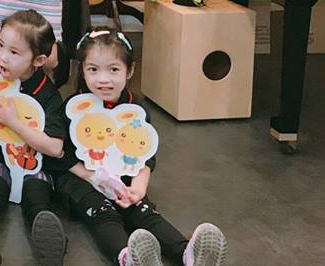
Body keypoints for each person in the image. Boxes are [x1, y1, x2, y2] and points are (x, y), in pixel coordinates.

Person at [54, 29, 228, 266]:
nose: (103, 79)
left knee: (144, 211)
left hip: (122, 176)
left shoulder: (136, 109)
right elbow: (59, 154)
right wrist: (91, 176)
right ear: (82, 70)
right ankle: (129, 258)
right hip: (80, 179)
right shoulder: (72, 107)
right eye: (93, 69)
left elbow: (144, 154)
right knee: (104, 213)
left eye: (113, 70)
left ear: (130, 70)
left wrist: (137, 188)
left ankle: (188, 255)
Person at [0, 10, 67, 266]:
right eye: (0, 45)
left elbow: (55, 147)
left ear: (38, 60)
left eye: (14, 52)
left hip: (34, 164)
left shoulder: (47, 93)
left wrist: (13, 122)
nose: (3, 57)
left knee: (36, 193)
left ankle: (51, 244)